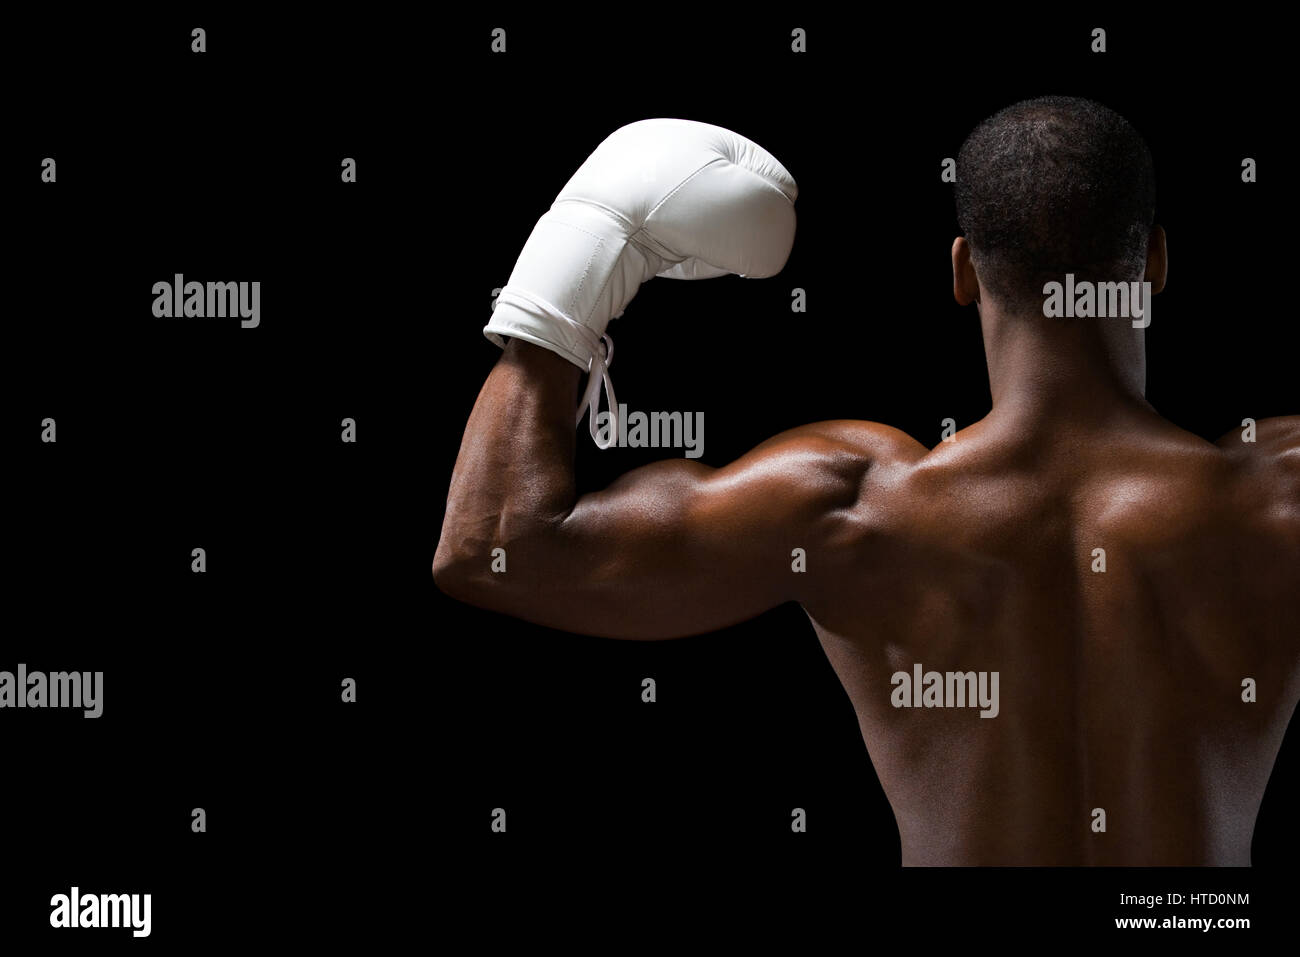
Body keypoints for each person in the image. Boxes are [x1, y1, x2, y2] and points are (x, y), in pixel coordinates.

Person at [434, 102, 1298, 865]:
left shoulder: (851, 505)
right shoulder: (1279, 501)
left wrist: (566, 284)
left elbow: (493, 548)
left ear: (961, 271)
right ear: (1153, 262)